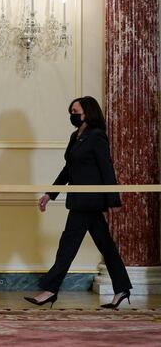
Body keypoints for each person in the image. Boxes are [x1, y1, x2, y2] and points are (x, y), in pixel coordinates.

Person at [25, 96, 132, 309]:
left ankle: (50, 290)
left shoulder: (97, 136)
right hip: (79, 200)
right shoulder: (76, 136)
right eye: (71, 111)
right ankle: (121, 288)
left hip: (89, 201)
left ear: (88, 113)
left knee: (67, 246)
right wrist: (50, 194)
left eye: (76, 111)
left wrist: (114, 200)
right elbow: (68, 169)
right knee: (106, 246)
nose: (72, 115)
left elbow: (106, 168)